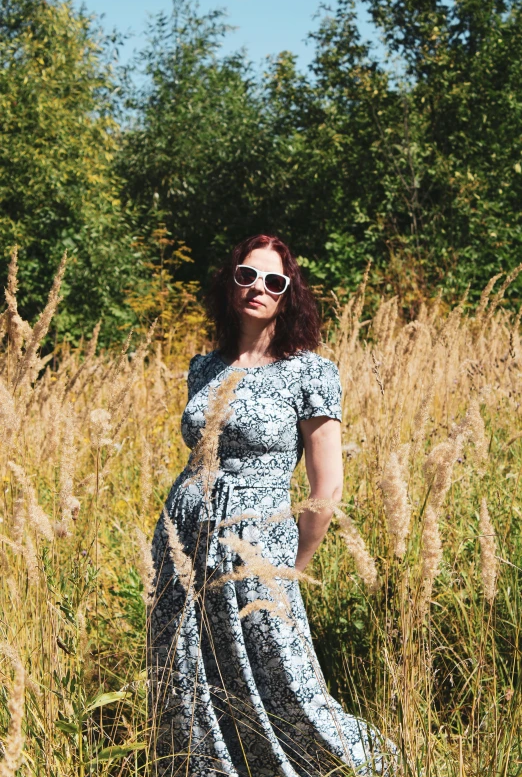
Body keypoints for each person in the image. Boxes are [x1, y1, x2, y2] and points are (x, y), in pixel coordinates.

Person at [148, 234, 394, 776]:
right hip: (185, 533)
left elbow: (326, 486)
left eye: (273, 281)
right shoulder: (203, 366)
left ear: (288, 295)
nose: (258, 288)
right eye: (247, 275)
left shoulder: (309, 371)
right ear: (230, 282)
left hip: (260, 539)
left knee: (281, 674)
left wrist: (293, 569)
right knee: (187, 665)